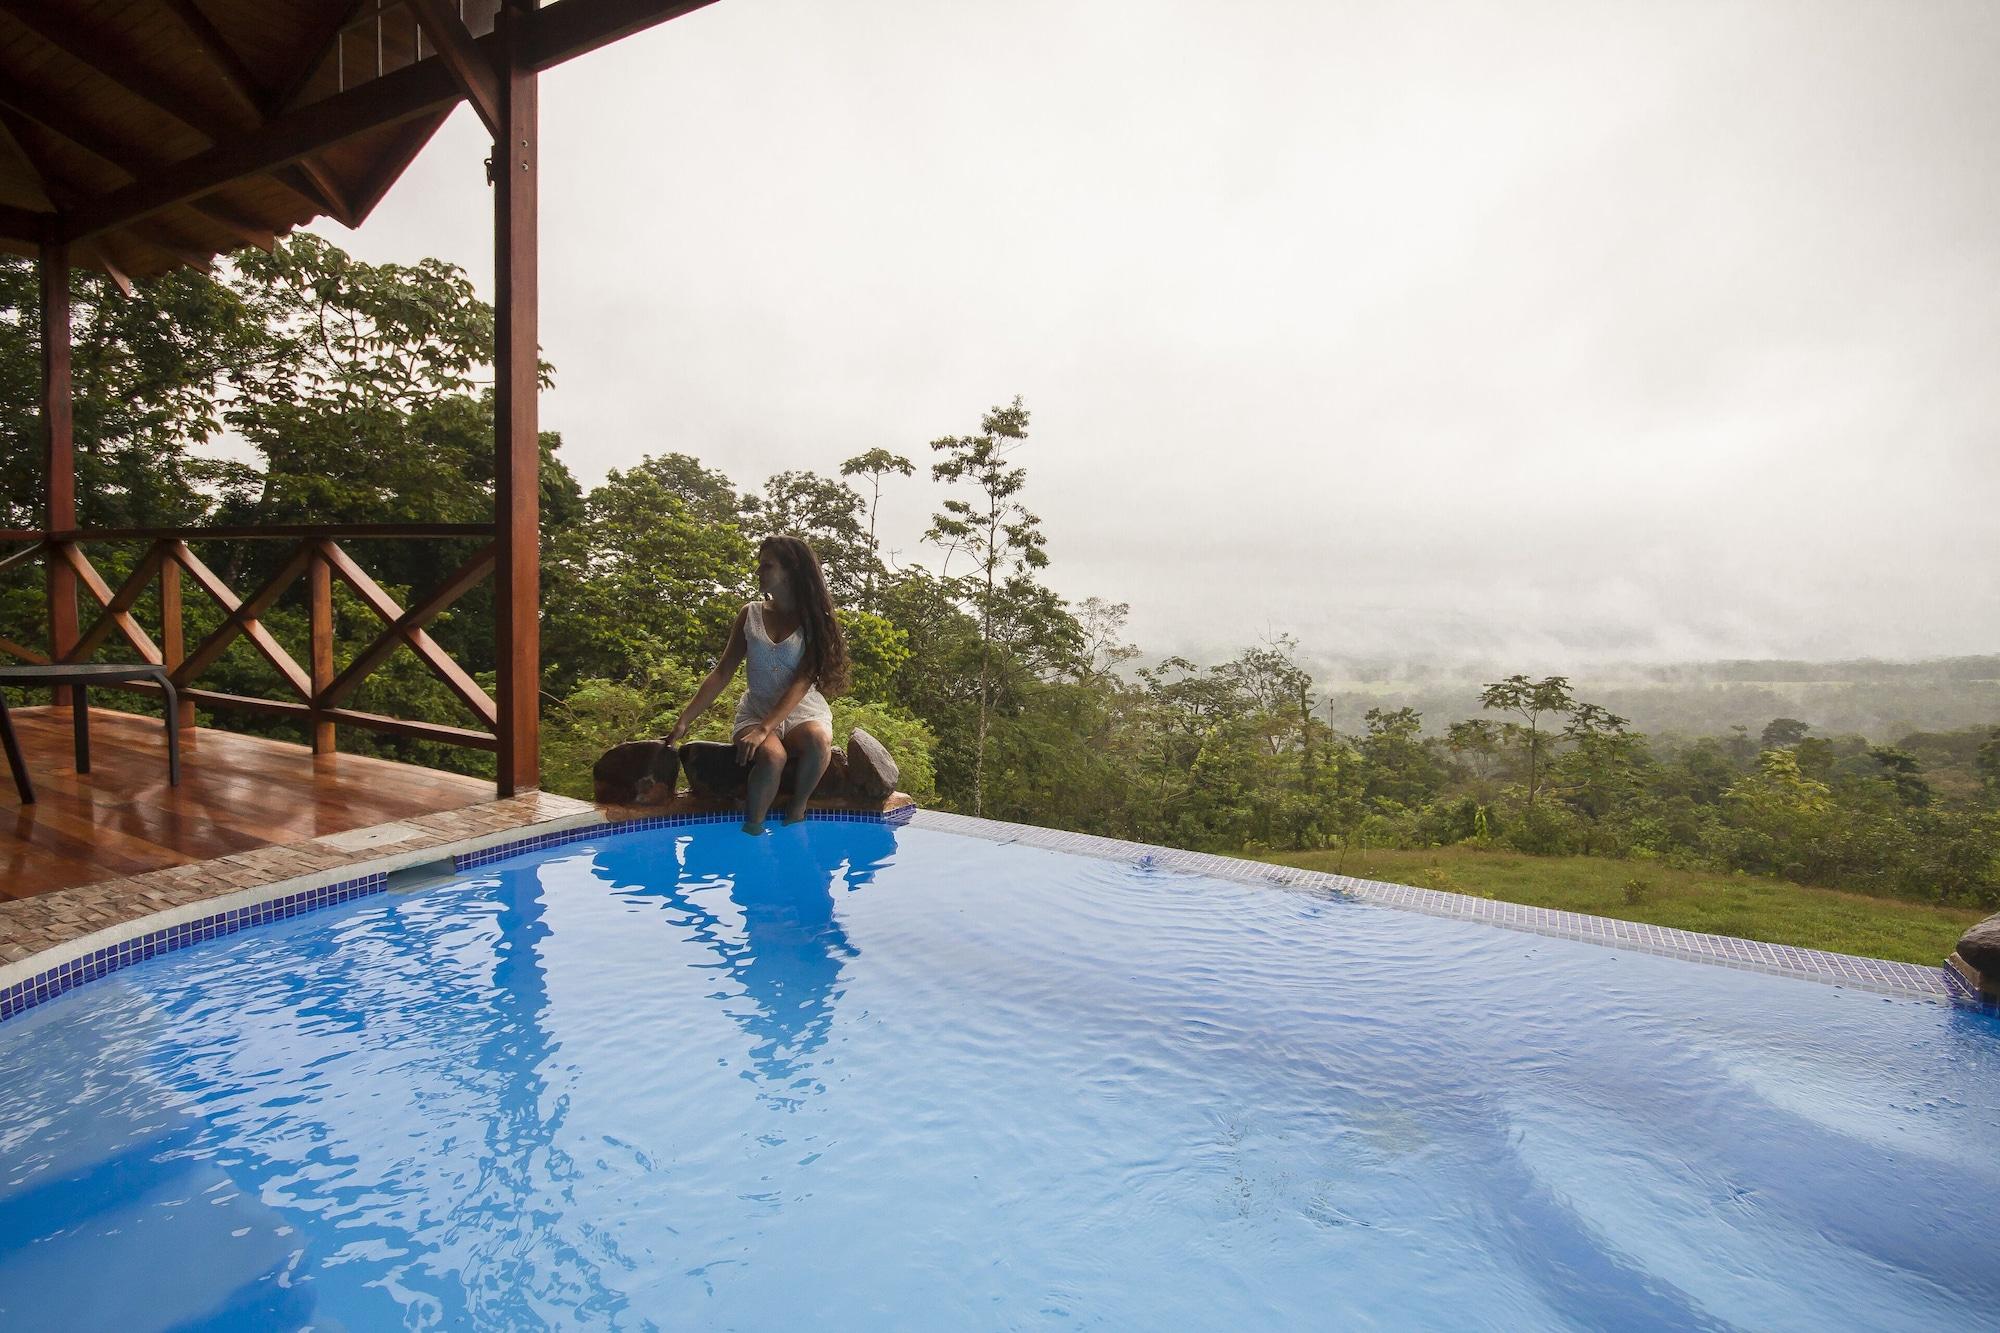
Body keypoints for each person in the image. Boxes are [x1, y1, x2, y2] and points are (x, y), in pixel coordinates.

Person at [667, 535, 850, 833]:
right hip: (756, 711)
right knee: (772, 756)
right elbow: (723, 672)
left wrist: (768, 728)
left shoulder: (815, 619)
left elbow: (803, 682)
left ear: (790, 570)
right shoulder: (749, 614)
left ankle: (797, 811)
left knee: (819, 742)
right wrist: (685, 720)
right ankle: (752, 830)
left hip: (802, 711)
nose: (758, 572)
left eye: (766, 566)